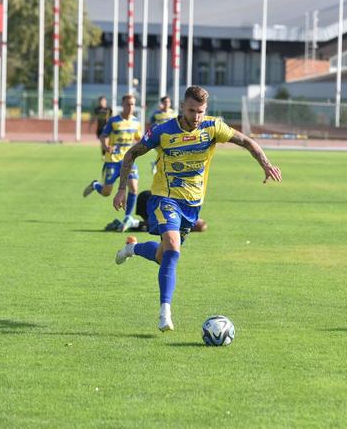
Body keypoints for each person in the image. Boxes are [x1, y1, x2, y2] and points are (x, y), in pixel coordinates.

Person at [111, 85, 282, 332]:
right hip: (164, 197)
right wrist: (121, 189)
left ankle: (133, 248)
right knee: (172, 245)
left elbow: (246, 141)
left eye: (201, 111)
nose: (196, 116)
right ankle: (165, 312)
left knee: (163, 255)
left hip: (192, 205)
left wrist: (266, 164)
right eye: (192, 110)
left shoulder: (212, 127)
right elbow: (131, 154)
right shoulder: (163, 131)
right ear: (182, 107)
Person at [83, 94, 142, 232]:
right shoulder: (114, 121)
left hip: (128, 161)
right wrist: (106, 147)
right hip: (113, 161)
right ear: (123, 105)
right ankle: (96, 185)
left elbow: (139, 139)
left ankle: (127, 217)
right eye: (128, 104)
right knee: (106, 192)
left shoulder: (136, 123)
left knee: (134, 187)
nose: (130, 106)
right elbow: (103, 136)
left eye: (133, 104)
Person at [104, 189, 208, 233]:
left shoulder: (186, 218)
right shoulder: (184, 219)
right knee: (158, 227)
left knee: (155, 227)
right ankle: (129, 223)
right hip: (149, 199)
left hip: (149, 197)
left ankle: (124, 224)